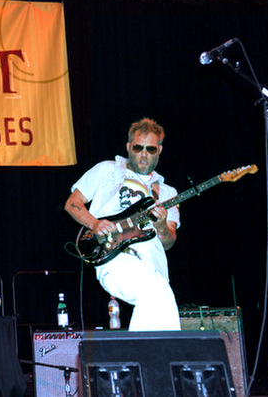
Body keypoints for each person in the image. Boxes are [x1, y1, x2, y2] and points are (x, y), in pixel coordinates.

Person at [64, 117, 181, 330]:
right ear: (129, 147)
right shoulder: (107, 170)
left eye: (150, 149)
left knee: (167, 308)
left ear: (159, 150)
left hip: (152, 264)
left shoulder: (166, 193)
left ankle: (161, 359)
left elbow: (168, 242)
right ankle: (140, 355)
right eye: (138, 147)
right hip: (116, 255)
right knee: (153, 291)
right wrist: (95, 223)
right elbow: (72, 204)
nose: (144, 154)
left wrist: (162, 224)